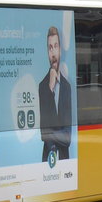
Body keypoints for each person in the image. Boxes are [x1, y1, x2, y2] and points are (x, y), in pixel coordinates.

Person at [38, 25, 72, 161]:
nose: (53, 53)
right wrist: (49, 90)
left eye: (56, 46)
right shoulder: (42, 87)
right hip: (47, 161)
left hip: (65, 162)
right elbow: (43, 133)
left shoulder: (67, 87)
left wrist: (51, 134)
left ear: (60, 51)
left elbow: (68, 138)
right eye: (50, 47)